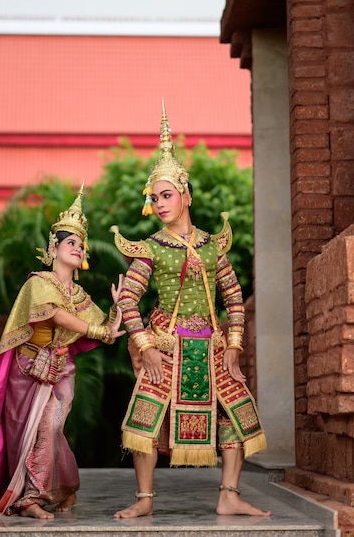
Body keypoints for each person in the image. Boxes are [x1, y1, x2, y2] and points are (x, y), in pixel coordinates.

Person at [111, 103, 271, 519]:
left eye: (166, 195)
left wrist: (235, 347)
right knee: (144, 419)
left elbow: (234, 298)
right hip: (167, 344)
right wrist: (144, 344)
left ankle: (229, 494)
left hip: (214, 346)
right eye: (154, 197)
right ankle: (145, 501)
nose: (159, 203)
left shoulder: (213, 245)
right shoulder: (150, 249)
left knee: (236, 415)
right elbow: (128, 298)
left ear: (185, 194)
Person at [0, 183, 125, 519]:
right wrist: (98, 328)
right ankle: (63, 489)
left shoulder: (80, 295)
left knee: (50, 427)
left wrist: (116, 313)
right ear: (54, 247)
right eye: (70, 242)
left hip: (62, 370)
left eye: (81, 244)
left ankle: (33, 498)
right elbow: (55, 314)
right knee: (30, 430)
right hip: (29, 367)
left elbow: (103, 328)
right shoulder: (39, 282)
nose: (77, 248)